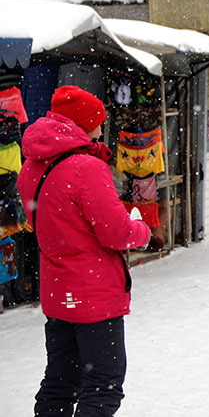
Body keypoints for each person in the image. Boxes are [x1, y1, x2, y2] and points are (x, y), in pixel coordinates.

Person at [18, 86, 151, 416]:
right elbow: (116, 233)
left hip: (57, 290)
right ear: (86, 124)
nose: (101, 127)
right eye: (98, 121)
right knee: (103, 386)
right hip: (93, 296)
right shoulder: (86, 168)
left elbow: (58, 224)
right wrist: (142, 230)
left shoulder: (31, 166)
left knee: (60, 382)